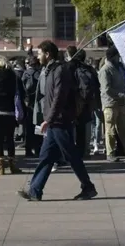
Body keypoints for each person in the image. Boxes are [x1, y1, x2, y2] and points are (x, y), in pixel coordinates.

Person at [17, 41, 98, 202]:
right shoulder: (51, 70)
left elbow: (59, 98)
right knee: (46, 156)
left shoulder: (60, 71)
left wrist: (49, 119)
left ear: (48, 54)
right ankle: (35, 190)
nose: (38, 56)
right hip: (54, 121)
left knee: (71, 156)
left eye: (40, 53)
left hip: (60, 121)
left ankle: (88, 187)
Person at [67, 46, 100, 159]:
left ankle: (73, 153)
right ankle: (83, 151)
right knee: (84, 129)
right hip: (87, 103)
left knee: (71, 130)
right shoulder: (89, 69)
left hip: (75, 103)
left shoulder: (71, 68)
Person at [99, 46, 125, 163]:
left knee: (124, 129)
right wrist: (122, 95)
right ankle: (110, 153)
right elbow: (106, 89)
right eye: (118, 56)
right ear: (113, 57)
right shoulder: (105, 70)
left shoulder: (118, 68)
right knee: (110, 130)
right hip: (110, 104)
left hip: (120, 104)